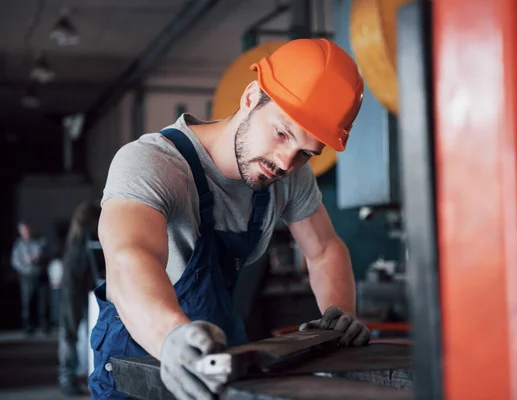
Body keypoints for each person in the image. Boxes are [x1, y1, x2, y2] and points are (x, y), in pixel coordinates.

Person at [89, 38, 369, 399]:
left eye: (304, 153)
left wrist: (338, 317)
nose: (285, 162)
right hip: (137, 358)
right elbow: (129, 257)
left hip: (214, 357)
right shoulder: (151, 163)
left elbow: (325, 249)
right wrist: (170, 338)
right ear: (251, 96)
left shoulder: (289, 177)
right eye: (282, 133)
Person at [58, 200, 102, 396]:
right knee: (71, 332)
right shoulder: (84, 236)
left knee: (74, 332)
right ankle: (67, 377)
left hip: (77, 287)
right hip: (74, 288)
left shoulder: (76, 235)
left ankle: (73, 375)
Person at [10, 221, 50, 335]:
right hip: (27, 276)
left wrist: (39, 258)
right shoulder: (19, 245)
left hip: (41, 274)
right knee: (28, 302)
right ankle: (29, 327)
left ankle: (45, 326)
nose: (27, 233)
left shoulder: (41, 241)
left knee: (43, 301)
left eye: (28, 230)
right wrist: (25, 265)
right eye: (24, 231)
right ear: (21, 232)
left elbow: (48, 254)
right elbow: (15, 261)